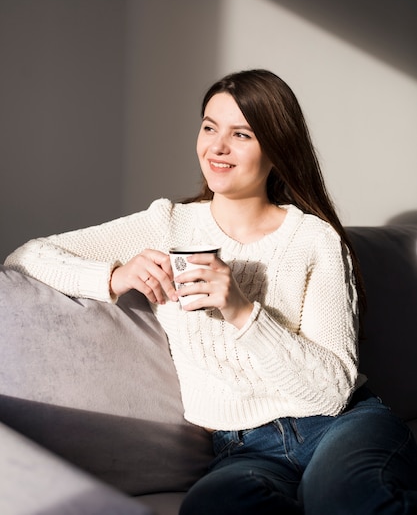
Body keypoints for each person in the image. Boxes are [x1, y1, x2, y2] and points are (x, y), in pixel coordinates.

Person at [5, 69, 417, 514]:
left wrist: (242, 310)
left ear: (277, 148)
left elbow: (332, 391)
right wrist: (113, 276)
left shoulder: (314, 240)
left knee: (345, 498)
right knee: (213, 506)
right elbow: (27, 256)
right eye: (208, 127)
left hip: (341, 426)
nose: (217, 147)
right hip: (243, 449)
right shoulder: (168, 224)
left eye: (241, 134)